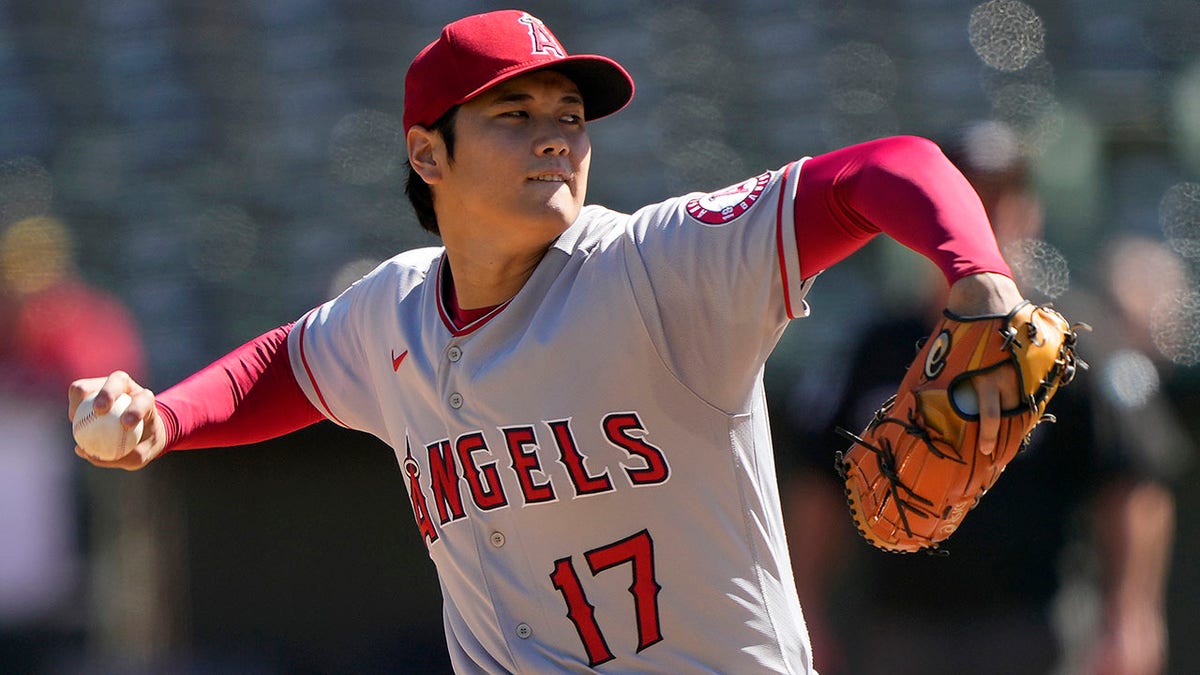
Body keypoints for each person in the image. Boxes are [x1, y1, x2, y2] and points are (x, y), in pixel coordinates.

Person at [69, 10, 1036, 673]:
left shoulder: (658, 267)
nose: (556, 137)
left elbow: (889, 166)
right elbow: (282, 365)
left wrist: (977, 272)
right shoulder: (390, 310)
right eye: (514, 113)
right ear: (426, 153)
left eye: (571, 117)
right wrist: (163, 416)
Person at [775, 122, 1182, 675]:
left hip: (1035, 624)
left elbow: (1131, 484)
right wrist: (803, 615)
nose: (990, 212)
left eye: (1004, 195)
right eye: (972, 194)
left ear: (1030, 210)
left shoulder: (1067, 347)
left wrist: (1130, 617)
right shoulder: (875, 347)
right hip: (901, 627)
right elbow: (816, 488)